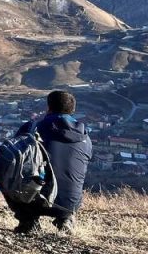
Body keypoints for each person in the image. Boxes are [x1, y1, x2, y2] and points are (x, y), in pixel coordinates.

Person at [7, 91, 93, 234]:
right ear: (73, 110)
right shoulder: (85, 138)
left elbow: (13, 157)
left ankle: (28, 221)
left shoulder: (32, 128)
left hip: (36, 200)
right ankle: (66, 219)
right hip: (70, 203)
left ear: (49, 107)